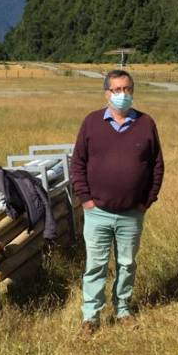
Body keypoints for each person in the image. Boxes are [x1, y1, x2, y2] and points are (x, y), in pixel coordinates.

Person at [71, 70, 165, 333]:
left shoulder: (146, 124)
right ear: (106, 93)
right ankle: (91, 316)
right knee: (95, 265)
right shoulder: (91, 122)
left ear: (133, 91)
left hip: (131, 213)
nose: (122, 94)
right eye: (117, 90)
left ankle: (123, 309)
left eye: (127, 89)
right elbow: (77, 162)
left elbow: (157, 165)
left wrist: (147, 200)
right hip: (97, 211)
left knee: (126, 263)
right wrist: (85, 199)